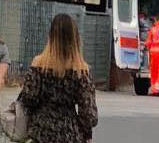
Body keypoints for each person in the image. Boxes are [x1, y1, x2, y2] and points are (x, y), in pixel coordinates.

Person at [17, 14, 98, 143]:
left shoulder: (38, 65)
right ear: (75, 38)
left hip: (40, 133)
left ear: (51, 37)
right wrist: (87, 134)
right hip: (70, 134)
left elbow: (27, 99)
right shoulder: (81, 70)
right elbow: (88, 114)